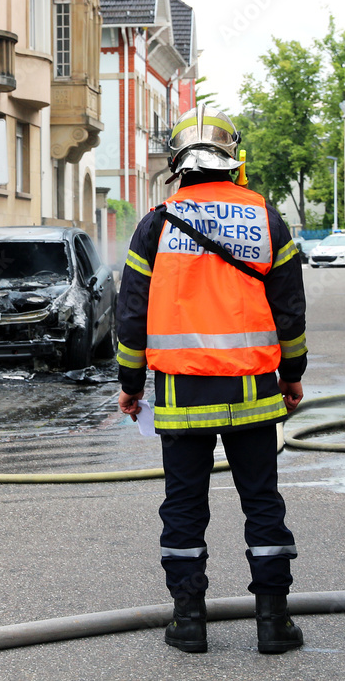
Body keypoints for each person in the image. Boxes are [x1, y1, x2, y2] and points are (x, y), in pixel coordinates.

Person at [115, 105, 308, 655]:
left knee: (184, 507)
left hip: (182, 397)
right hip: (253, 393)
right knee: (262, 503)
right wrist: (291, 375)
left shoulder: (156, 223)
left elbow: (132, 314)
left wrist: (130, 384)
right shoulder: (266, 218)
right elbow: (288, 309)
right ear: (232, 160)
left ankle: (188, 621)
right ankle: (273, 623)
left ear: (179, 164)